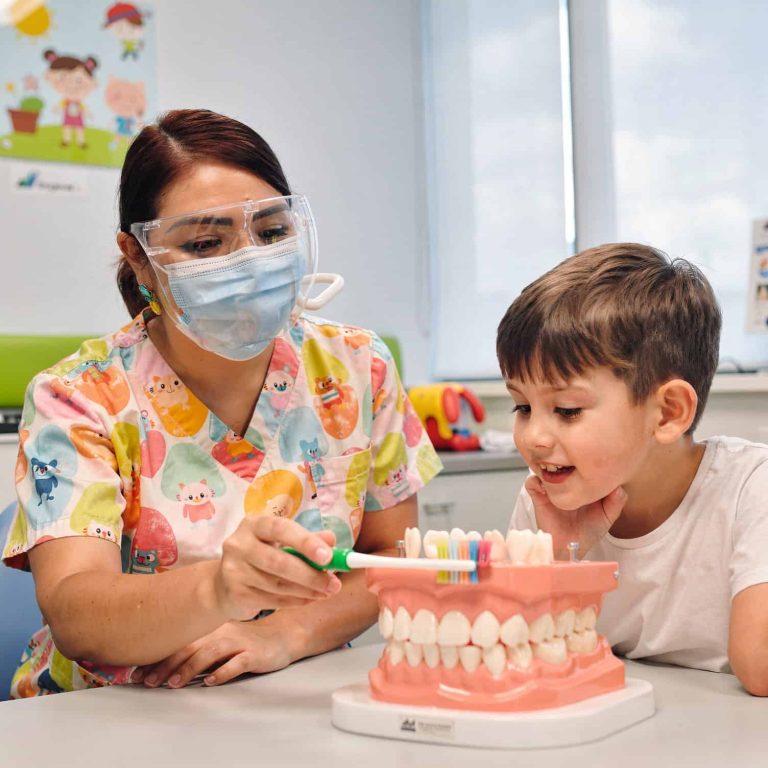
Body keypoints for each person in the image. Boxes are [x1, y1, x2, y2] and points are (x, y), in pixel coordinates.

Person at [1, 109, 442, 697]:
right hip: (110, 713)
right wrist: (218, 592)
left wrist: (285, 633)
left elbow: (392, 559)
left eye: (272, 233)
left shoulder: (358, 367)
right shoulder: (79, 397)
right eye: (207, 242)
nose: (249, 262)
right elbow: (78, 614)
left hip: (294, 698)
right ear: (138, 258)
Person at [497, 243, 768, 696]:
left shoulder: (751, 487)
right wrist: (558, 560)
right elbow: (507, 659)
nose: (533, 437)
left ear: (667, 413)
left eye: (566, 410)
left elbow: (761, 671)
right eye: (522, 406)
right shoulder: (544, 500)